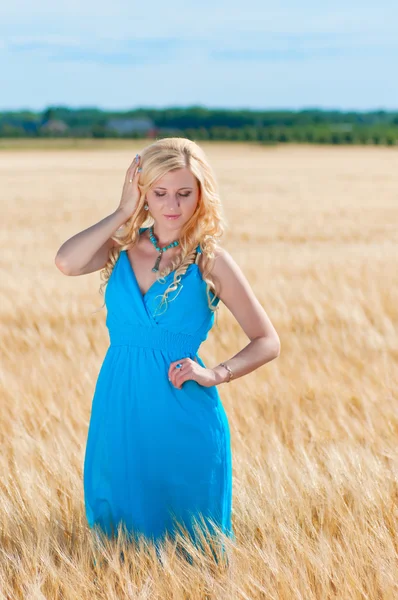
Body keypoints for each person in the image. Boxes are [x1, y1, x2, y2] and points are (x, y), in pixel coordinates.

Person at [55, 137, 280, 564]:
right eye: (158, 193)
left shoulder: (209, 261)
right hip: (118, 410)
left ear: (201, 194)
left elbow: (268, 340)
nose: (171, 205)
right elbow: (66, 262)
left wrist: (215, 373)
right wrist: (123, 212)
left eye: (183, 193)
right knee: (115, 547)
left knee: (192, 555)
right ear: (142, 192)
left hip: (184, 416)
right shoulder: (119, 249)